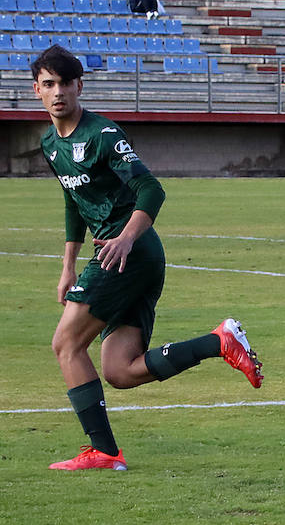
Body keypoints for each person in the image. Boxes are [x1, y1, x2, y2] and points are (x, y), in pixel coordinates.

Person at [31, 45, 263, 471]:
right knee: (121, 371)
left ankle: (103, 452)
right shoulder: (50, 143)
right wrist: (67, 266)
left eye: (65, 83)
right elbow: (73, 201)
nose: (58, 91)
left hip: (129, 253)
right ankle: (220, 341)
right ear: (37, 91)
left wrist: (125, 238)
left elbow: (152, 189)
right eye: (49, 84)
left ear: (80, 86)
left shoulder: (101, 134)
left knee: (66, 343)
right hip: (122, 255)